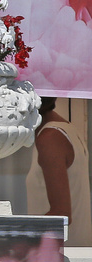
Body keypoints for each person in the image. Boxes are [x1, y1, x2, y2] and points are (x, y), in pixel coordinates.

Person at [26, 97, 92, 246]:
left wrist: (20, 238)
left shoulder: (51, 138)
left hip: (61, 257)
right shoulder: (66, 128)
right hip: (74, 253)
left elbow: (61, 214)